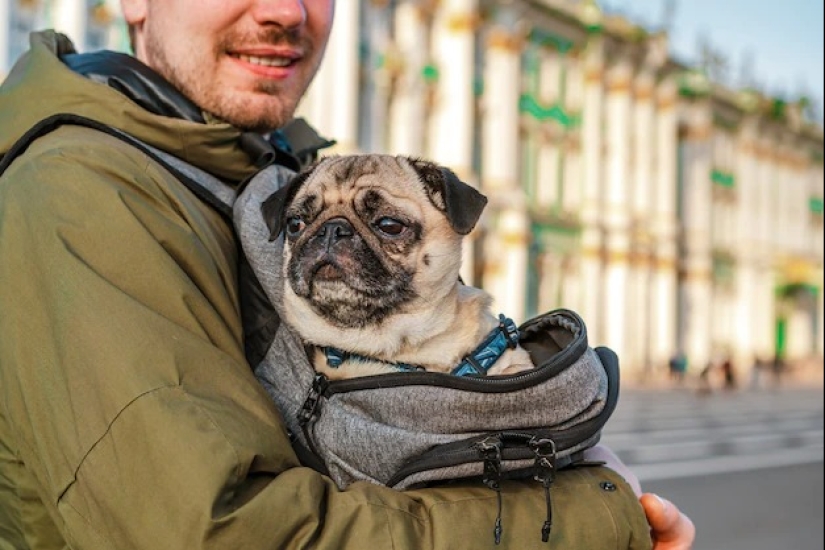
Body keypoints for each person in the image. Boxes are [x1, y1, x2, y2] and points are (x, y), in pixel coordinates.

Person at [0, 1, 694, 548]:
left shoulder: (218, 167)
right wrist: (593, 516)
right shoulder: (82, 195)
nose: (287, 10)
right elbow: (220, 532)